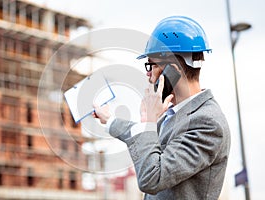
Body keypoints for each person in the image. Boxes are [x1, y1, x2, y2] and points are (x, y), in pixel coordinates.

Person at [93, 16, 231, 200]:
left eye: (151, 65)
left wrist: (149, 121)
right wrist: (109, 120)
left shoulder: (208, 123)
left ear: (172, 69)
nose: (148, 75)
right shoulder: (176, 112)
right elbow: (142, 134)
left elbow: (153, 178)